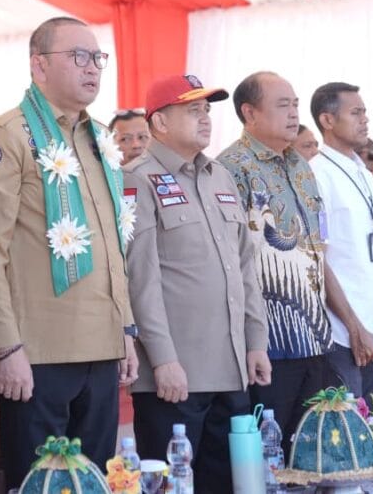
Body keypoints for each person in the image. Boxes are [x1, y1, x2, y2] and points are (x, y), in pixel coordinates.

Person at [0, 17, 138, 486]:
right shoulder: (7, 136)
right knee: (41, 483)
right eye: (78, 56)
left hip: (101, 344)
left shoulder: (99, 136)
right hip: (38, 352)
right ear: (38, 66)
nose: (92, 67)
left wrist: (125, 327)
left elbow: (112, 243)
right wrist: (8, 347)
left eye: (97, 57)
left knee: (94, 481)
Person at [124, 75, 270, 494]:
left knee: (228, 485)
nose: (205, 118)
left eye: (206, 110)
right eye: (193, 110)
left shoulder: (219, 175)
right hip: (176, 376)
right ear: (159, 122)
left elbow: (244, 268)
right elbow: (140, 279)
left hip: (231, 369)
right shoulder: (136, 179)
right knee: (174, 486)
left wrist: (255, 342)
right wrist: (163, 359)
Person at [218, 71, 358, 458]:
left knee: (313, 453)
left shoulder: (300, 165)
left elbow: (316, 250)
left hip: (315, 337)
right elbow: (232, 259)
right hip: (269, 343)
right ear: (250, 112)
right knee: (272, 455)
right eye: (283, 105)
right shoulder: (231, 168)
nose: (294, 113)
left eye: (295, 104)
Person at [308, 83, 373, 405]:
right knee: (347, 423)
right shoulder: (317, 174)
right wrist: (352, 325)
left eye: (365, 112)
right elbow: (318, 260)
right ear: (328, 120)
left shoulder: (363, 172)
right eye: (356, 113)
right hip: (343, 330)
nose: (365, 120)